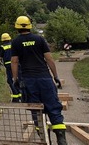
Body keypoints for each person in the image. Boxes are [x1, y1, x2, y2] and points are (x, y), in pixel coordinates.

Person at [10, 16, 67, 145]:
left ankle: (44, 139)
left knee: (36, 110)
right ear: (29, 25)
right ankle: (61, 139)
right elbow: (49, 58)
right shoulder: (39, 39)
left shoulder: (16, 42)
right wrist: (55, 76)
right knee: (53, 108)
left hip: (29, 81)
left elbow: (14, 61)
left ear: (17, 27)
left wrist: (15, 79)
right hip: (45, 79)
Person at [0, 33, 21, 102]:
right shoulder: (14, 45)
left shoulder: (2, 47)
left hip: (9, 66)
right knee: (18, 79)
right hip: (17, 64)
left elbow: (0, 57)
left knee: (10, 81)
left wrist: (1, 62)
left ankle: (15, 98)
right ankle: (21, 96)